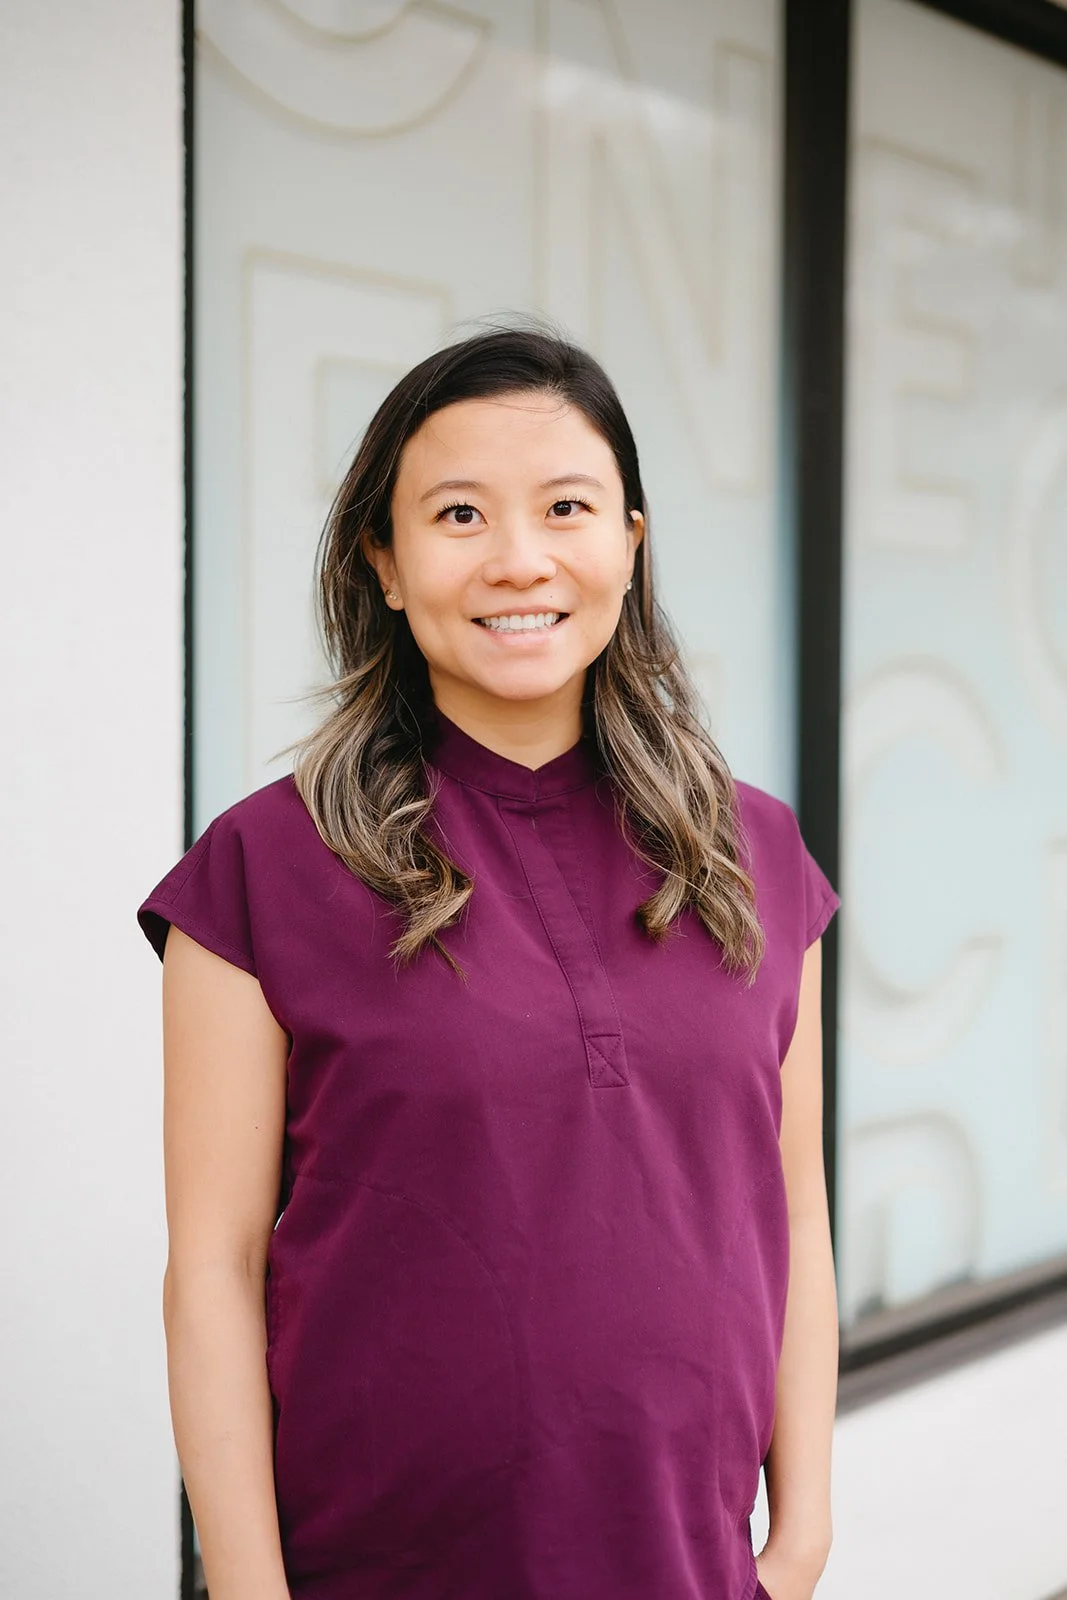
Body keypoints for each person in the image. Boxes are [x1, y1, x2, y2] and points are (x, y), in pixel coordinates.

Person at [137, 323, 840, 1600]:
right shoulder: (257, 870)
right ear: (386, 564)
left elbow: (790, 1212)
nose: (518, 559)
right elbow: (213, 1268)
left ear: (628, 540)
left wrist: (796, 1541)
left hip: (690, 1568)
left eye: (565, 507)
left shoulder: (758, 856)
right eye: (456, 514)